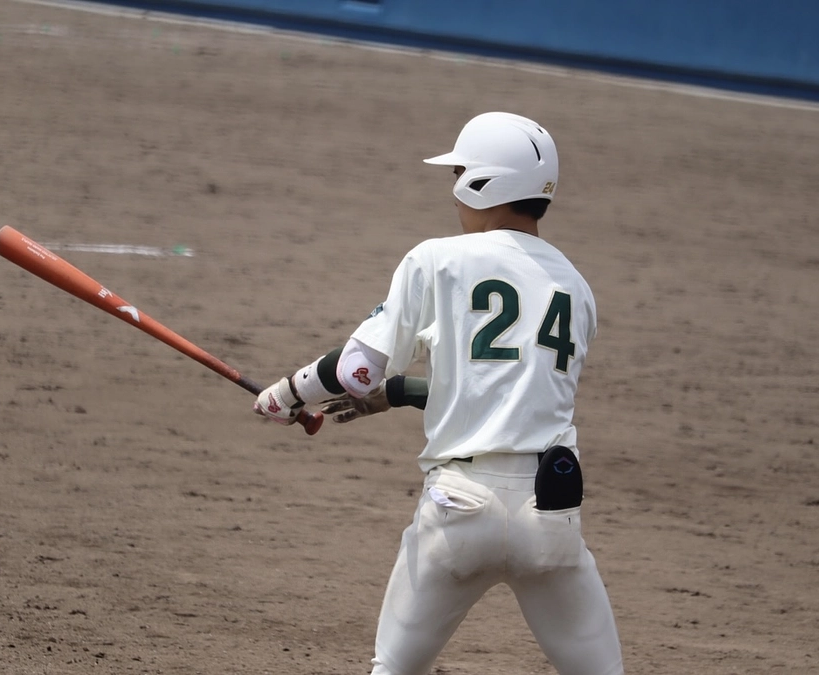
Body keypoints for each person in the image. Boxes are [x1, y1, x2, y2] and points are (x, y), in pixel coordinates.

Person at [253, 112, 624, 675]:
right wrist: (398, 392)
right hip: (549, 514)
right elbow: (511, 393)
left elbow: (355, 371)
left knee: (395, 669)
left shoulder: (437, 258)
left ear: (482, 182)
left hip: (460, 510)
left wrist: (286, 394)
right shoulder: (577, 287)